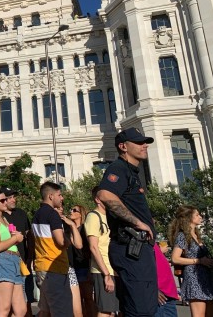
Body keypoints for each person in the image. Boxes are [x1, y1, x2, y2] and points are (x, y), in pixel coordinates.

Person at [97, 127, 158, 316]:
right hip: (131, 249)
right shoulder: (119, 168)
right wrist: (137, 222)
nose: (144, 145)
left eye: (144, 142)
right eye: (139, 142)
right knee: (141, 311)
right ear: (123, 146)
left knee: (141, 309)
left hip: (138, 250)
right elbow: (105, 195)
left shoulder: (132, 172)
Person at [0, 190, 26, 317]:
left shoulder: (5, 219)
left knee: (21, 310)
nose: (5, 202)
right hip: (1, 260)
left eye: (5, 199)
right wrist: (16, 239)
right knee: (3, 308)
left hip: (14, 261)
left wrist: (15, 237)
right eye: (2, 200)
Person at [169, 205, 213, 317]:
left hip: (208, 280)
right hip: (195, 280)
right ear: (188, 218)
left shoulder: (197, 235)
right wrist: (199, 261)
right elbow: (175, 258)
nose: (200, 217)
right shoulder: (182, 236)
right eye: (197, 215)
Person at [32, 182, 72, 316]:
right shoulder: (52, 214)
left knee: (46, 311)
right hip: (54, 268)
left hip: (42, 266)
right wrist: (68, 240)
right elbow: (61, 241)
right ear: (50, 196)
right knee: (61, 311)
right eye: (59, 195)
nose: (62, 198)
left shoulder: (37, 214)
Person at [84, 186, 119, 317]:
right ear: (98, 199)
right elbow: (93, 247)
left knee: (111, 311)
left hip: (113, 269)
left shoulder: (110, 217)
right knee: (105, 310)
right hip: (103, 270)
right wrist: (106, 274)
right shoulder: (93, 217)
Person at [1, 187, 34, 317]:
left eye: (14, 197)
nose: (14, 200)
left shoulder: (21, 213)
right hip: (6, 262)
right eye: (10, 197)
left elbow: (29, 236)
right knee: (7, 302)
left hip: (24, 262)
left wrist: (31, 257)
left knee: (26, 299)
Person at [68, 205, 92, 317]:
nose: (71, 212)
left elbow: (88, 249)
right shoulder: (68, 229)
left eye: (74, 210)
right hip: (73, 267)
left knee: (88, 298)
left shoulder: (84, 229)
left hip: (84, 266)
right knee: (77, 301)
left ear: (80, 213)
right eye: (71, 210)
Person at [154, 242, 179, 317]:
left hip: (168, 291)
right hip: (159, 292)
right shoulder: (140, 239)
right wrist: (153, 289)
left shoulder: (151, 240)